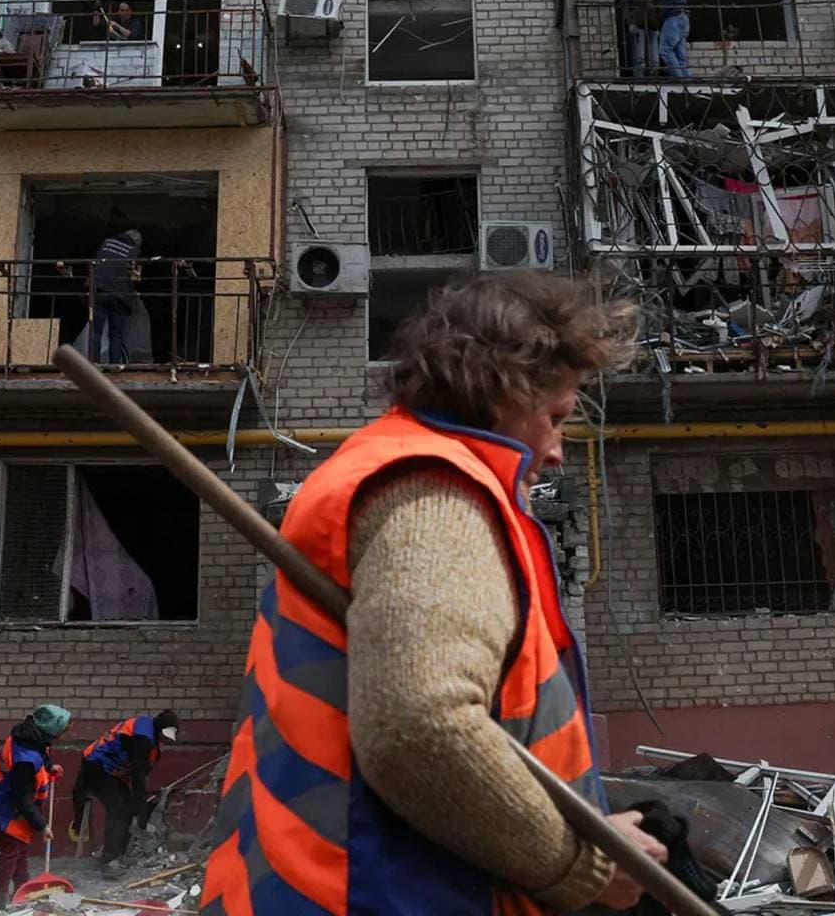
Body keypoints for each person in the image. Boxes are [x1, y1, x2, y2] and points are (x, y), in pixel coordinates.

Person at [202, 272, 667, 914]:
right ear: (503, 392)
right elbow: (420, 730)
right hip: (386, 896)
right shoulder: (434, 499)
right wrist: (584, 866)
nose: (559, 452)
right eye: (555, 418)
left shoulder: (394, 472)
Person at [0, 704, 70, 912]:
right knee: (12, 849)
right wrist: (42, 826)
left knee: (19, 847)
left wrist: (49, 765)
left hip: (3, 797)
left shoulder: (28, 734)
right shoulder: (25, 760)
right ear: (50, 730)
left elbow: (42, 750)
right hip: (0, 803)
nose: (62, 735)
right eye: (61, 731)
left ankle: (22, 889)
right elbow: (23, 800)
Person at [69, 710, 177, 867]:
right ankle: (109, 860)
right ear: (158, 728)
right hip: (95, 767)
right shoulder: (143, 736)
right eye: (164, 736)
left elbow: (141, 773)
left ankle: (118, 854)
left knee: (128, 807)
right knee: (118, 808)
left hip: (111, 772)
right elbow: (138, 775)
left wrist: (138, 807)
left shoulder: (151, 742)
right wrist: (142, 813)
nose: (164, 740)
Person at [88, 229, 142, 365]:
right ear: (136, 242)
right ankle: (115, 366)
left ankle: (93, 364)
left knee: (96, 331)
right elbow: (135, 277)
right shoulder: (134, 250)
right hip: (120, 295)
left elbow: (97, 262)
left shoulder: (107, 242)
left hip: (100, 290)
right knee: (116, 334)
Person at [635, 0, 691, 79]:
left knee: (665, 51)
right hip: (680, 18)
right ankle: (688, 81)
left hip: (674, 17)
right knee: (679, 53)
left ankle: (680, 81)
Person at [617, 0, 659, 78]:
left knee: (655, 59)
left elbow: (655, 2)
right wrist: (630, 23)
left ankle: (654, 82)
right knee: (639, 58)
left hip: (652, 23)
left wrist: (658, 25)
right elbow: (624, 3)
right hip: (637, 22)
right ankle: (640, 84)